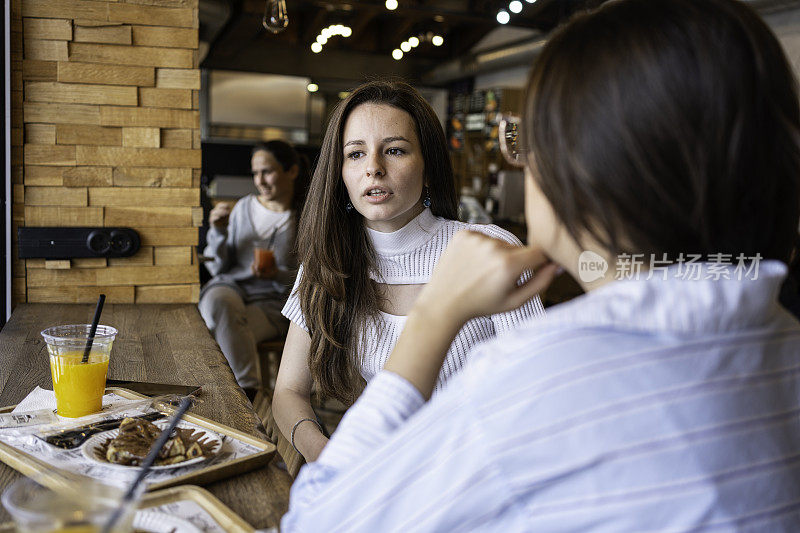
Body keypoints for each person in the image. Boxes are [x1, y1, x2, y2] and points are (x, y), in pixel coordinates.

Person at [281, 0, 800, 530]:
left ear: (580, 169)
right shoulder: (783, 344)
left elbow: (324, 518)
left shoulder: (533, 383)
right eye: (355, 154)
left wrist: (435, 316)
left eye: (529, 140)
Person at [273, 80, 545, 462]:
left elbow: (536, 389)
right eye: (355, 154)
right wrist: (325, 455)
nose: (373, 169)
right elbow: (287, 391)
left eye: (395, 150)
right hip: (376, 464)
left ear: (429, 166)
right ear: (339, 173)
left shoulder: (488, 249)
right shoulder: (326, 259)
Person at [199, 141, 306, 396]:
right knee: (219, 300)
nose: (260, 181)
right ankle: (248, 392)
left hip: (272, 302)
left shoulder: (304, 218)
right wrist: (218, 231)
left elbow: (310, 278)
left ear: (291, 171)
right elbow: (219, 267)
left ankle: (239, 396)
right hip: (232, 288)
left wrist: (277, 275)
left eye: (267, 172)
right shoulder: (244, 207)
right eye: (255, 173)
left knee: (224, 334)